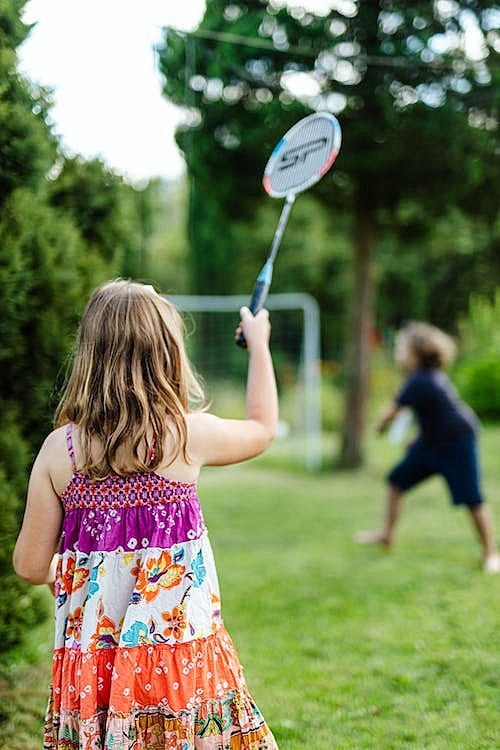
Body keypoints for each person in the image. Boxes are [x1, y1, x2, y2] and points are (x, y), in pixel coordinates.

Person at [13, 279, 280, 749]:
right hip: (179, 668)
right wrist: (258, 347)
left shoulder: (61, 451)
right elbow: (262, 427)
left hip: (96, 671)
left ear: (90, 356)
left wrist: (70, 568)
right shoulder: (185, 437)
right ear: (167, 354)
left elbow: (30, 565)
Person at [356, 321, 500, 573]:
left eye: (402, 347)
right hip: (431, 443)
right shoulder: (426, 379)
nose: (397, 352)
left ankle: (490, 553)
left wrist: (379, 426)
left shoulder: (420, 380)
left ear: (417, 353)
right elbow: (435, 413)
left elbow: (393, 411)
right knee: (396, 481)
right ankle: (387, 535)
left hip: (457, 443)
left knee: (472, 499)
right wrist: (419, 436)